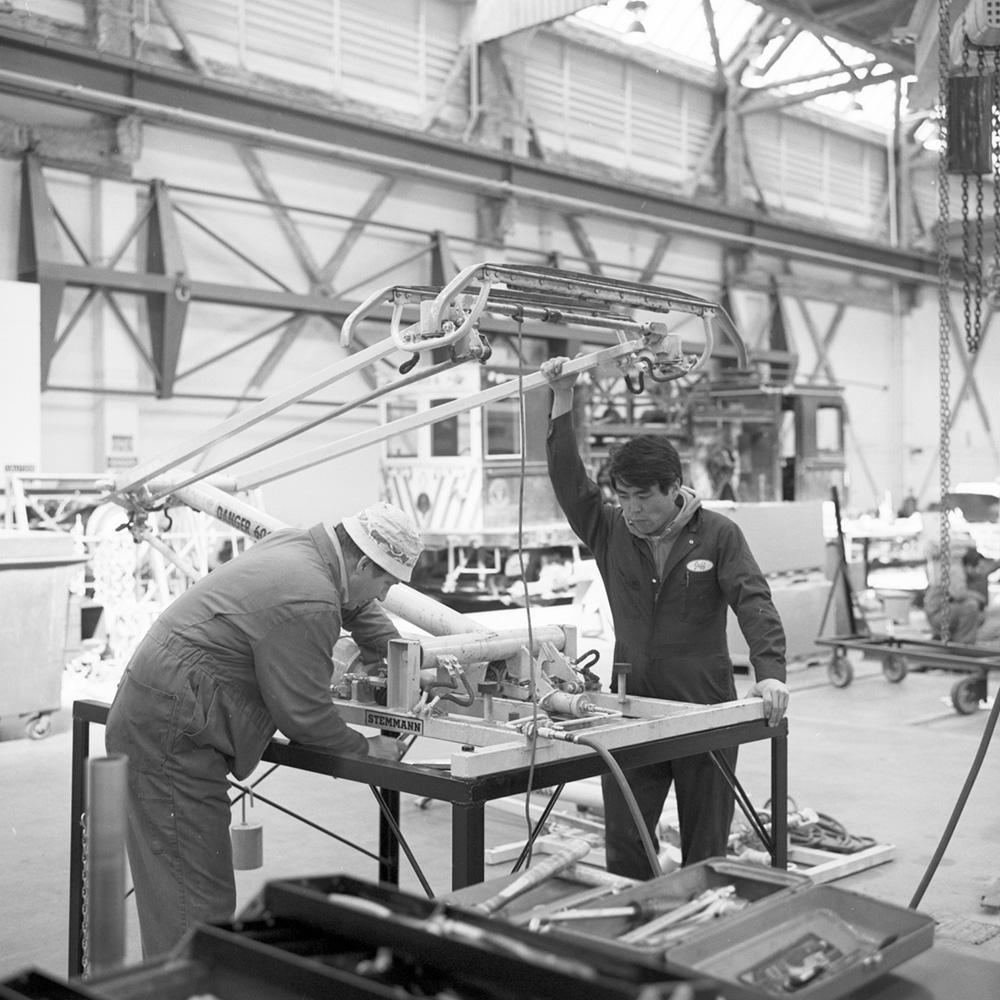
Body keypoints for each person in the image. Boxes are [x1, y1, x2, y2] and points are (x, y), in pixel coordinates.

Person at [105, 501, 423, 957]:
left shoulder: (303, 548)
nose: (386, 594)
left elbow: (352, 601)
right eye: (386, 582)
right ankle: (189, 988)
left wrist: (388, 648)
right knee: (194, 901)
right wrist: (369, 750)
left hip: (161, 709)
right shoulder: (309, 597)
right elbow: (306, 717)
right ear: (364, 562)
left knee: (181, 888)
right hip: (173, 732)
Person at [541, 357, 789, 879]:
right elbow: (569, 481)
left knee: (707, 842)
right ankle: (634, 924)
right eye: (623, 497)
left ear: (673, 488)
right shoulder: (609, 530)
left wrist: (769, 672)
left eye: (642, 498)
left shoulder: (718, 534)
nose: (631, 510)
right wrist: (562, 397)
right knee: (626, 838)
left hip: (704, 703)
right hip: (631, 703)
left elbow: (753, 600)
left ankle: (699, 917)